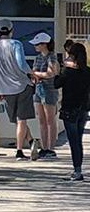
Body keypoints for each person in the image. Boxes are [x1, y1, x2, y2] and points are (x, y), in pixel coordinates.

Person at [0, 22, 36, 160]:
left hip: (4, 87)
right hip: (21, 85)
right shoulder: (16, 44)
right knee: (22, 120)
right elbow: (22, 64)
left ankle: (32, 141)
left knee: (15, 119)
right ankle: (19, 150)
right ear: (11, 30)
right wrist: (32, 73)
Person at [46, 40, 88, 182]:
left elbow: (56, 84)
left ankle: (77, 171)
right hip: (83, 110)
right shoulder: (87, 72)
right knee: (78, 141)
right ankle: (78, 169)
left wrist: (58, 72)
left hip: (70, 109)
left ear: (72, 56)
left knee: (73, 142)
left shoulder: (67, 72)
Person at [28, 32, 59, 160]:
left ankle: (51, 148)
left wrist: (37, 74)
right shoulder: (37, 58)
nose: (35, 46)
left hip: (49, 90)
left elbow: (52, 73)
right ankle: (44, 146)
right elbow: (34, 73)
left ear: (44, 44)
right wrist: (36, 76)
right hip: (38, 90)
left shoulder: (52, 57)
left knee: (50, 120)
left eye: (37, 44)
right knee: (41, 120)